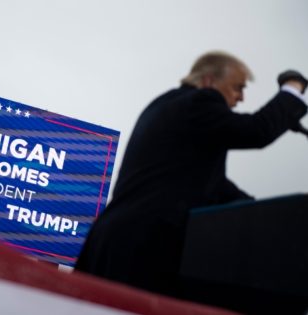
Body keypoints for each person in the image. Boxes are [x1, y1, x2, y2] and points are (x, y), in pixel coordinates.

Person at [75, 51, 308, 297]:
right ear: (209, 81)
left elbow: (212, 185)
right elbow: (256, 131)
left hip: (115, 243)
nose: (241, 98)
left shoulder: (165, 106)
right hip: (145, 246)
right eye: (237, 87)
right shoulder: (200, 102)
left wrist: (263, 214)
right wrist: (292, 89)